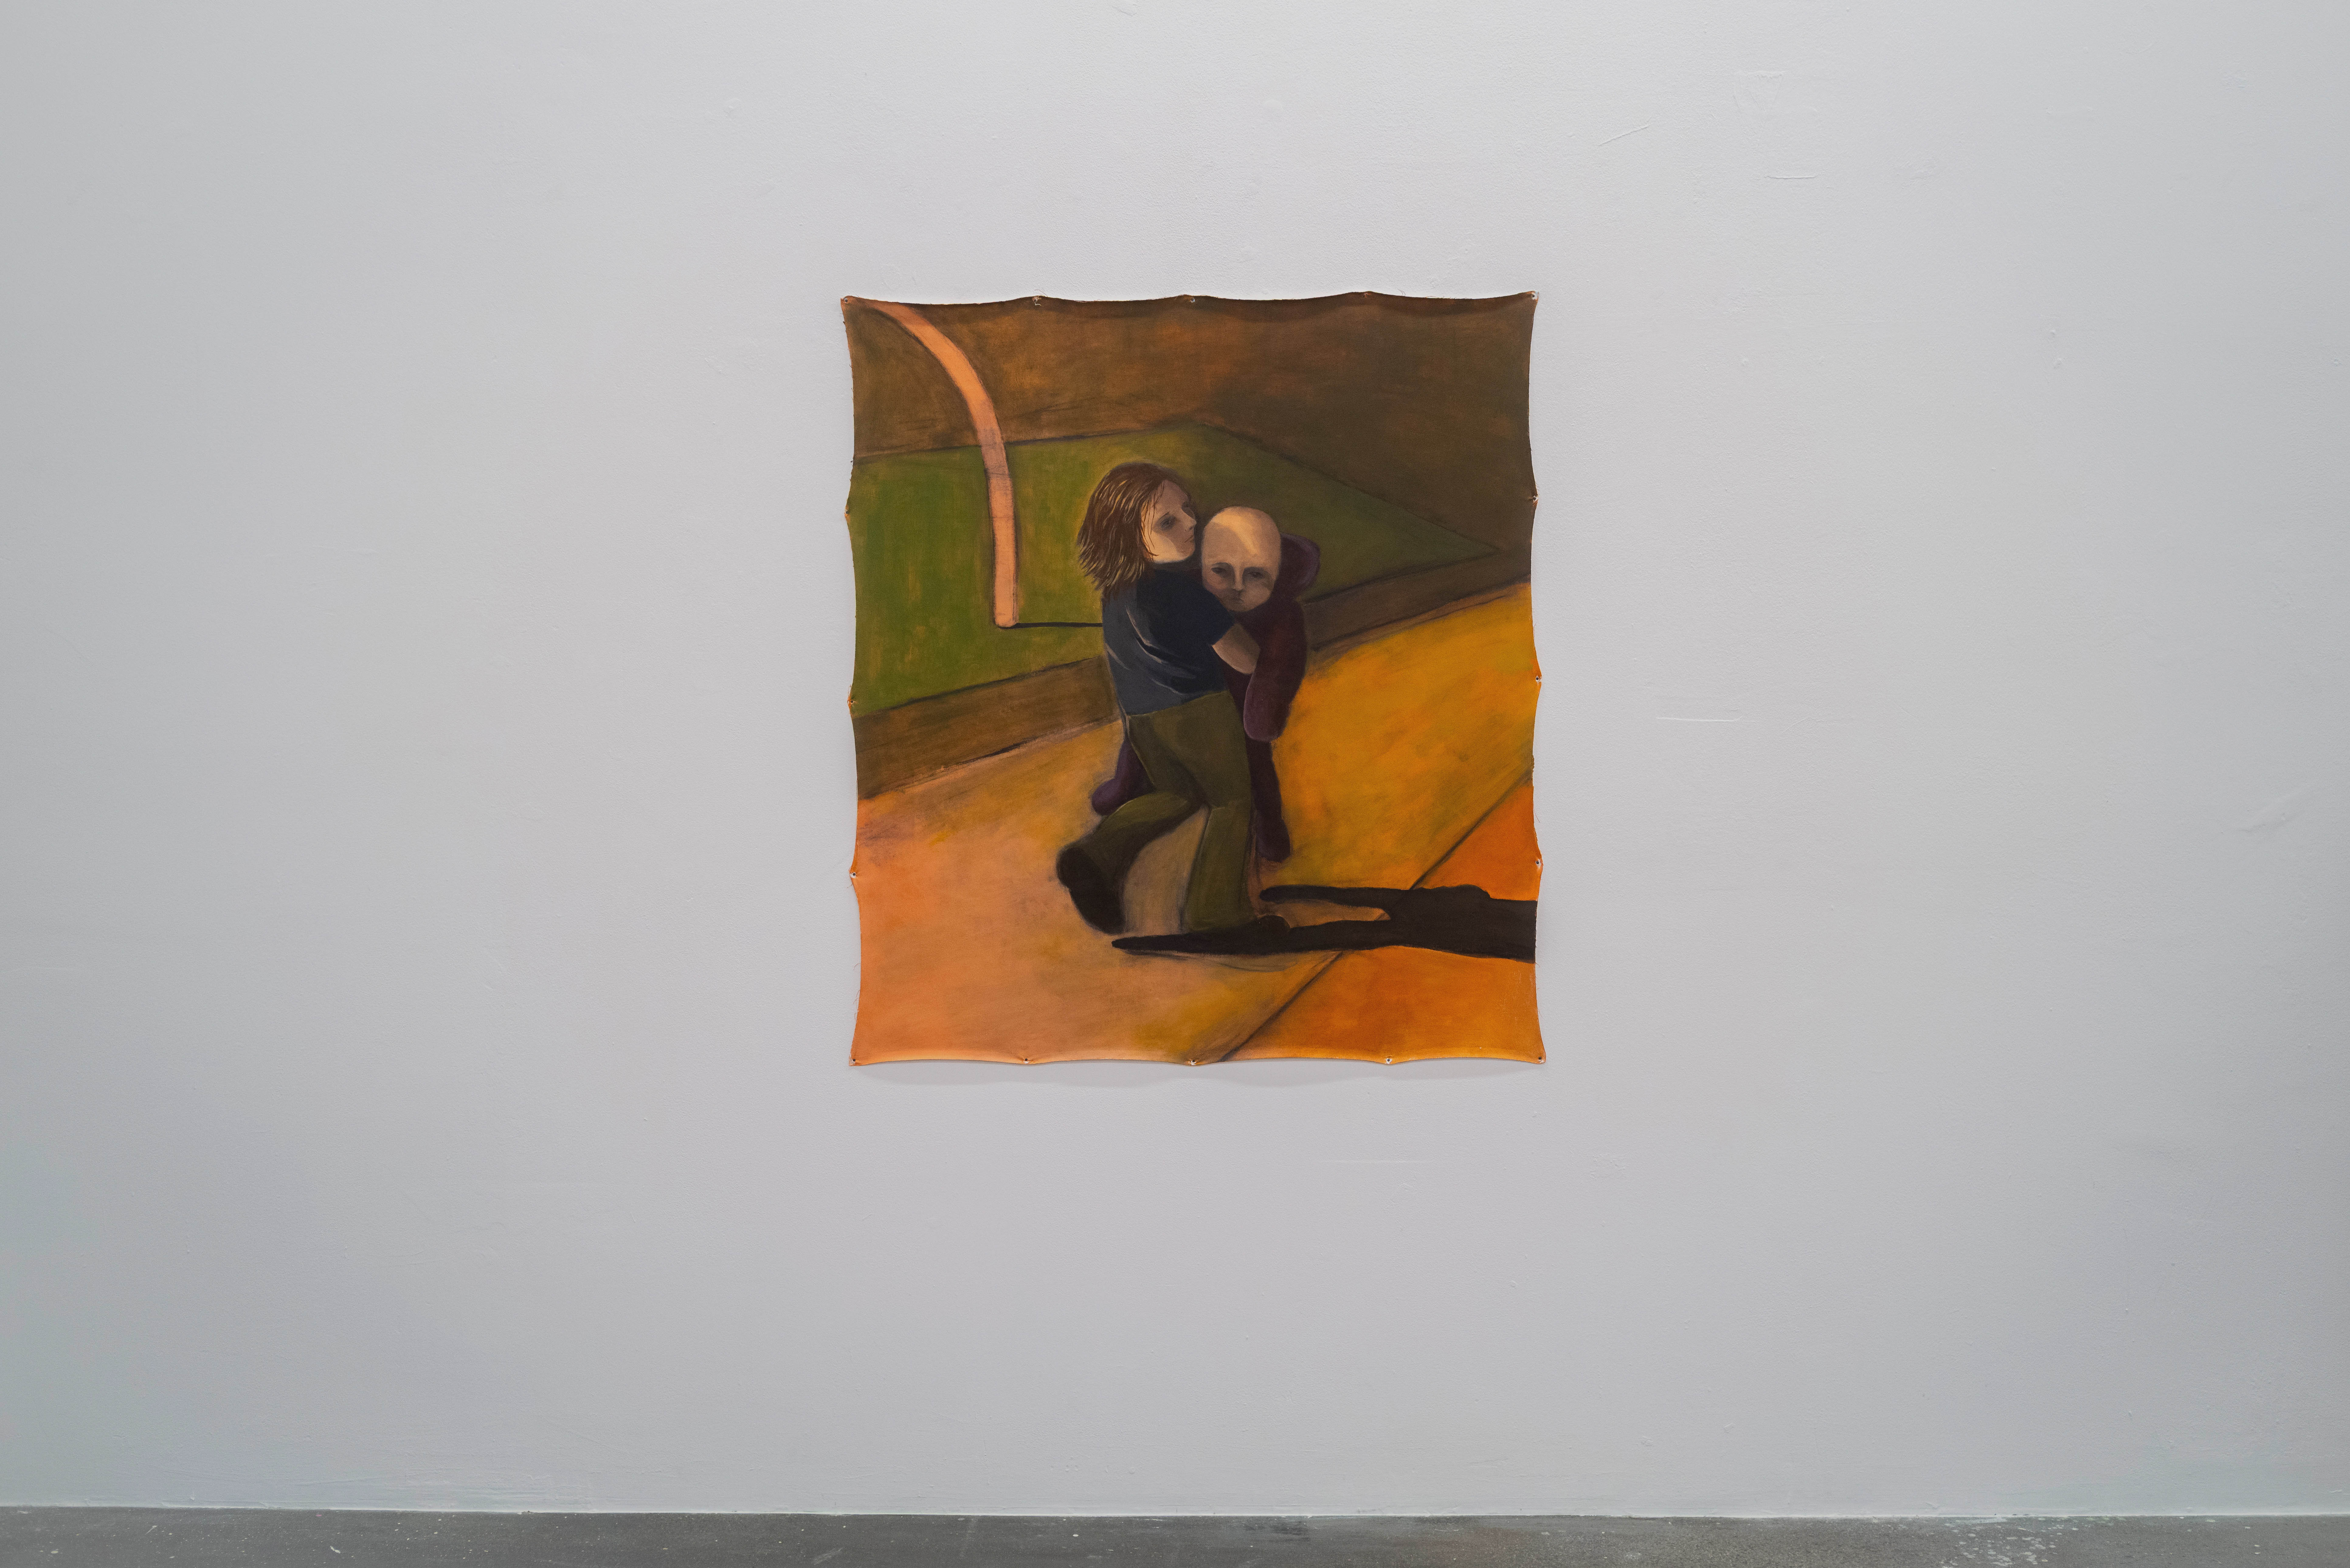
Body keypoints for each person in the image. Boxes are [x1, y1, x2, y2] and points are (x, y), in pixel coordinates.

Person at [1054, 464, 1271, 936]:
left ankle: (1095, 856)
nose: (1192, 521)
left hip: (1143, 720)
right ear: (1127, 538)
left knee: (1176, 794)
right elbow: (1246, 660)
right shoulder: (1184, 594)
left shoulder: (1115, 595)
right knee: (1233, 802)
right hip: (1199, 713)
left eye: (1187, 509)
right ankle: (1217, 915)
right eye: (1168, 521)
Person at [1089, 506, 1319, 861]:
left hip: (1242, 707)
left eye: (1256, 575)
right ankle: (1127, 785)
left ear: (1277, 572)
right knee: (1143, 740)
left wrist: (1262, 714)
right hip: (1186, 697)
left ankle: (1269, 825)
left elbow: (1280, 668)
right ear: (1203, 565)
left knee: (1255, 766)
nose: (1237, 587)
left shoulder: (1283, 614)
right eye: (1221, 571)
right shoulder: (1190, 592)